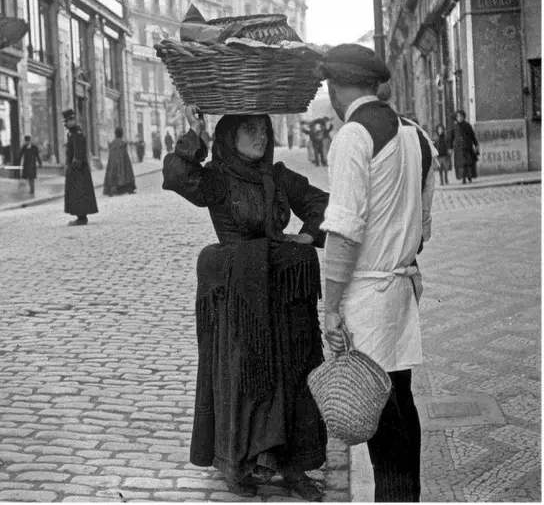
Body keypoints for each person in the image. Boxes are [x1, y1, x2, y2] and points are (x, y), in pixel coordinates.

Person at [163, 105, 329, 500]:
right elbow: (176, 174)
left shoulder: (278, 176)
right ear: (229, 136)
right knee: (244, 377)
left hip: (281, 297)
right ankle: (238, 464)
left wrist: (307, 236)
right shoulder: (217, 179)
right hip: (240, 299)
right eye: (250, 129)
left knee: (290, 377)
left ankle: (292, 467)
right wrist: (195, 132)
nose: (261, 137)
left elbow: (321, 203)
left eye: (264, 129)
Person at [315, 44, 436, 503]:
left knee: (382, 419)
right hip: (401, 289)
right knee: (400, 402)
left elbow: (344, 232)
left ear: (335, 88)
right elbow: (423, 228)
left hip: (366, 294)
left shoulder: (353, 136)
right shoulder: (416, 135)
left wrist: (331, 308)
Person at [63, 109, 98, 226]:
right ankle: (80, 216)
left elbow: (78, 153)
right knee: (76, 193)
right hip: (75, 169)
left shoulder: (77, 133)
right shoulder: (72, 133)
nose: (65, 124)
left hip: (79, 169)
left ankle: (82, 217)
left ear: (72, 120)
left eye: (66, 121)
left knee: (79, 193)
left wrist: (72, 167)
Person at [103, 127, 137, 196]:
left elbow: (111, 158)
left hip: (113, 165)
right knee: (127, 170)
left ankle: (111, 190)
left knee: (112, 173)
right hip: (121, 164)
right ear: (121, 134)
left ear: (115, 134)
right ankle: (128, 188)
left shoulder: (112, 144)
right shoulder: (122, 144)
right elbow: (125, 159)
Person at [449, 110, 479, 184]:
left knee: (468, 164)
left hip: (467, 147)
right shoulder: (454, 127)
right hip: (459, 149)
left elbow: (472, 136)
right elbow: (451, 138)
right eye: (458, 116)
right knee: (461, 164)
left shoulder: (467, 126)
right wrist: (450, 148)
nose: (459, 118)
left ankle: (469, 177)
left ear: (463, 117)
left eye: (461, 116)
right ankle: (463, 179)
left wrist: (476, 145)